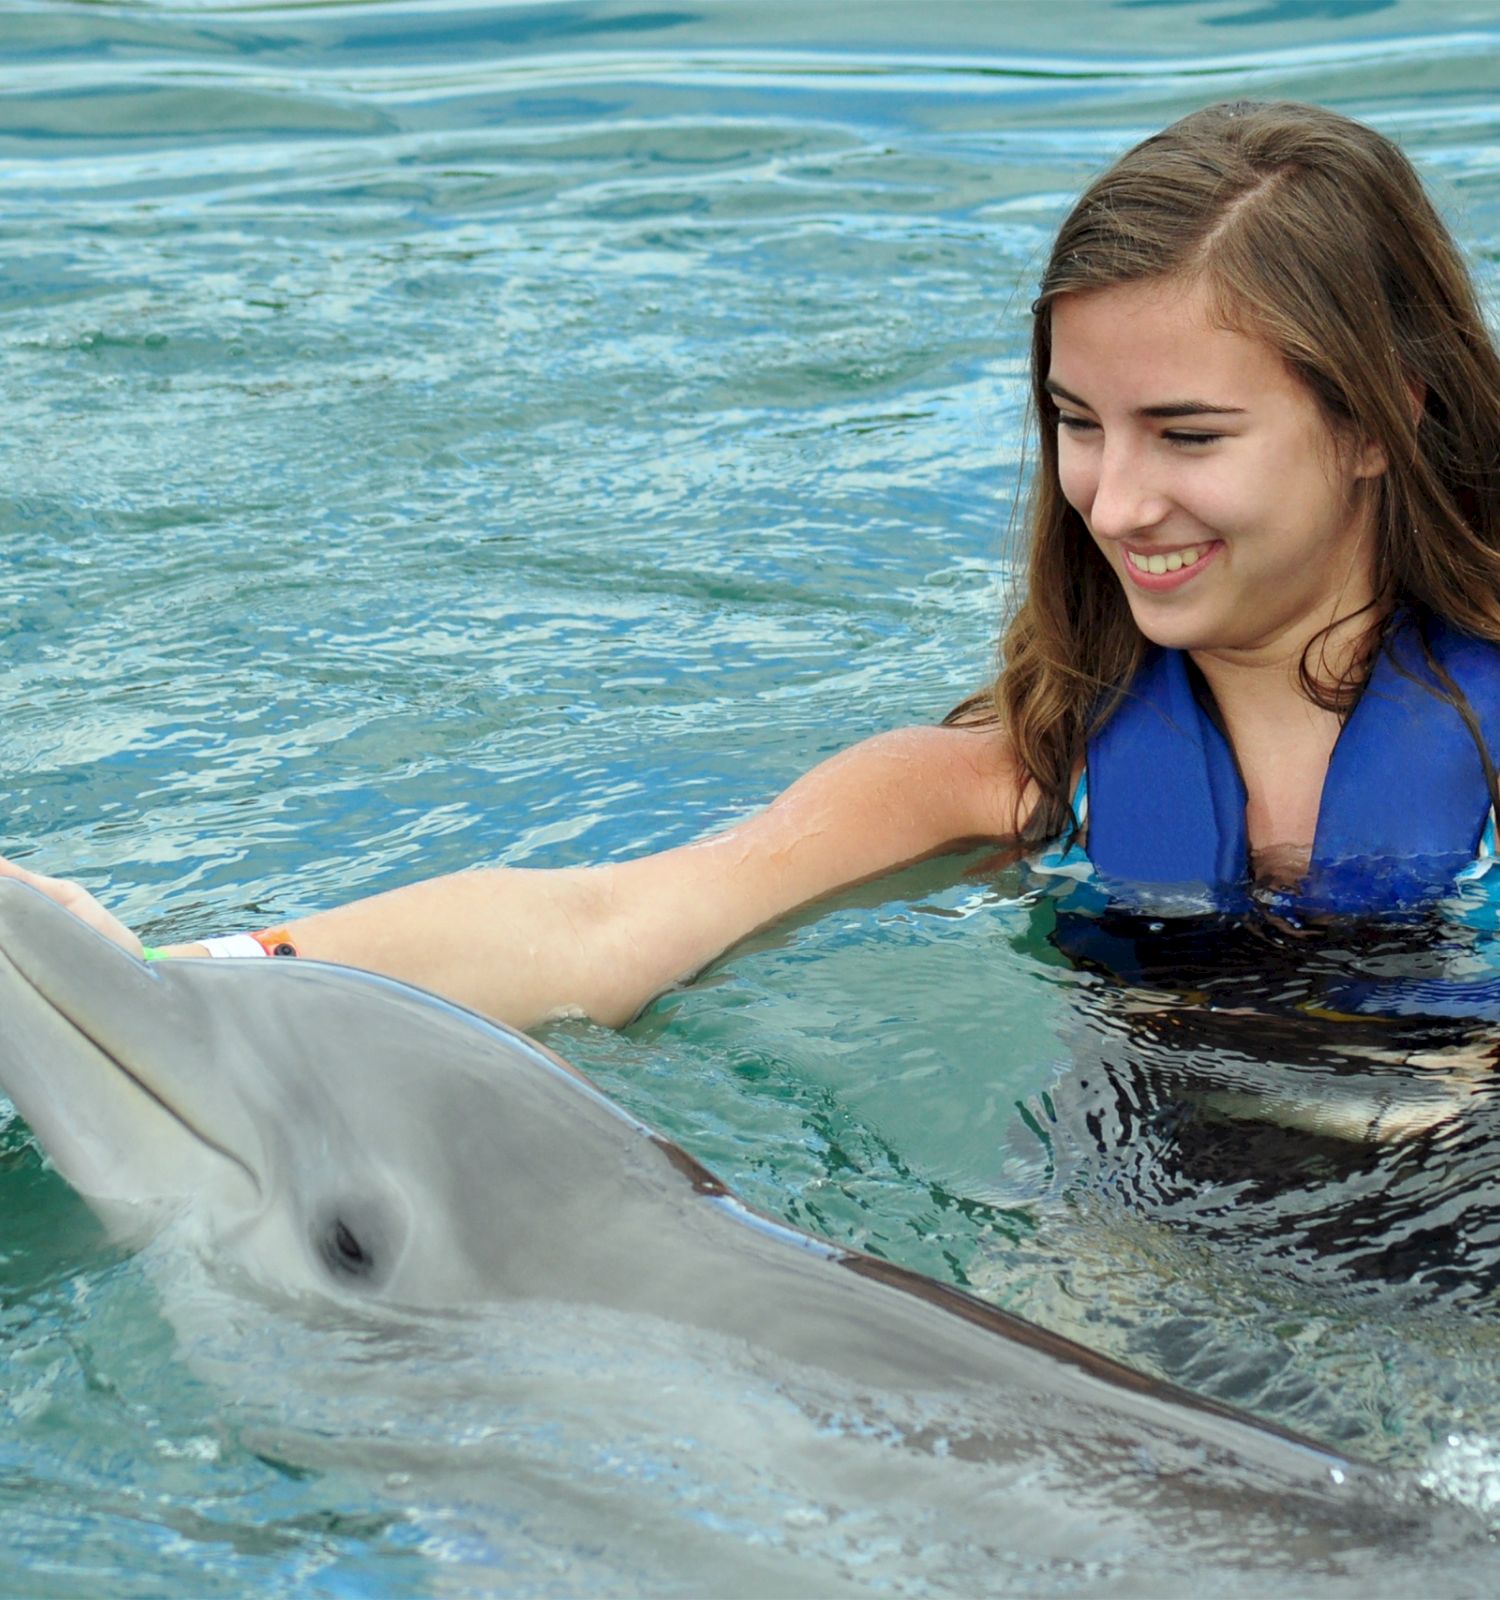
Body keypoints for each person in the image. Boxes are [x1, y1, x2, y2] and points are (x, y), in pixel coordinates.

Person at [7, 98, 1500, 1042]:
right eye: (1074, 424)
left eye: (1187, 433)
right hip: (1151, 1249)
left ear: (1377, 417)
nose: (1115, 501)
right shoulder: (1024, 777)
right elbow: (610, 922)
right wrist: (169, 973)